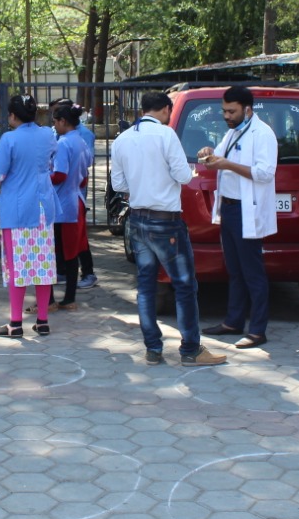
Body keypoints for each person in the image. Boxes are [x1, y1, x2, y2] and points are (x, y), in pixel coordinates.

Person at [110, 92, 226, 367]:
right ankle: (190, 349)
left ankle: (153, 348)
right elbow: (184, 176)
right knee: (185, 285)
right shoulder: (166, 135)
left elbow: (118, 185)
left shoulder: (123, 139)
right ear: (165, 110)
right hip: (166, 221)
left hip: (137, 220)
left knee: (146, 287)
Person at [197, 85, 278, 349]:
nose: (226, 116)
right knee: (234, 270)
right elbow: (219, 157)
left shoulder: (262, 133)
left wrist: (227, 165)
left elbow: (265, 173)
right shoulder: (233, 132)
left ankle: (257, 330)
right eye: (224, 111)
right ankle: (233, 322)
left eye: (231, 111)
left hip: (248, 209)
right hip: (230, 208)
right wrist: (208, 153)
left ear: (248, 109)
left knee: (252, 271)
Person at [0, 94, 59, 337]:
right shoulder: (48, 135)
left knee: (17, 267)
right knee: (43, 266)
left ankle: (15, 323)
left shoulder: (9, 139)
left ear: (12, 116)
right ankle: (42, 321)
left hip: (17, 210)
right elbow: (50, 164)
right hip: (43, 208)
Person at [53, 98, 99, 289]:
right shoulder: (80, 140)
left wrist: (41, 179)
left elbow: (60, 175)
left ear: (63, 121)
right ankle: (68, 278)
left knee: (68, 246)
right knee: (75, 242)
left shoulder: (64, 143)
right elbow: (85, 174)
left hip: (63, 201)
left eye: (55, 121)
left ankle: (71, 290)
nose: (54, 126)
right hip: (76, 197)